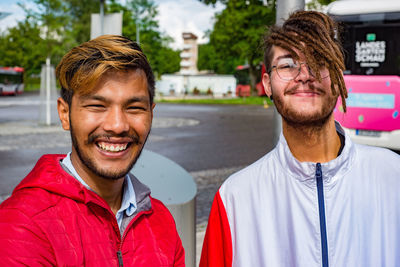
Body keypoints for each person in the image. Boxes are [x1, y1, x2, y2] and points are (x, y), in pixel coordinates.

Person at [200, 11, 400, 267]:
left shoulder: (394, 177)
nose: (305, 75)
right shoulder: (234, 199)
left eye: (319, 61)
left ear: (339, 80)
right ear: (268, 84)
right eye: (287, 65)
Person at [0, 35, 185, 266]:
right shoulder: (21, 224)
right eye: (97, 106)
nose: (117, 125)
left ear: (151, 113)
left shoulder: (161, 220)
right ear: (64, 114)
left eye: (134, 107)